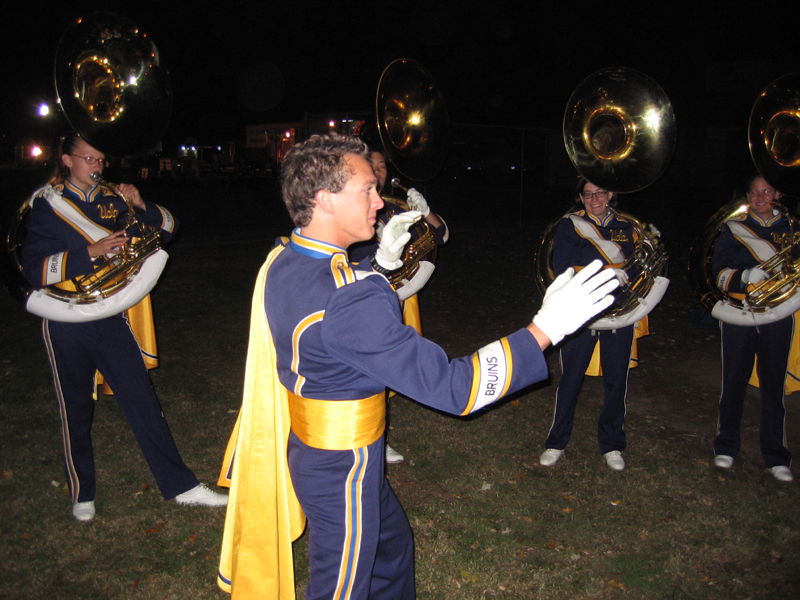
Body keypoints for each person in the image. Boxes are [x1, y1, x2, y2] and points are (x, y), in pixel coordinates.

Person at [217, 133, 619, 599]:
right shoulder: (347, 296)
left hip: (315, 451)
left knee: (390, 550)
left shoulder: (284, 260)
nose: (378, 199)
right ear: (326, 200)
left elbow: (344, 327)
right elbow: (456, 388)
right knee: (342, 586)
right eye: (366, 189)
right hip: (343, 468)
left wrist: (384, 264)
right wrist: (545, 329)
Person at [21, 132, 228, 522]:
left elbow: (167, 228)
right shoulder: (47, 207)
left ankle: (180, 486)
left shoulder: (111, 200)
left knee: (142, 400)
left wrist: (140, 204)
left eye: (100, 160)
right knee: (76, 409)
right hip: (66, 318)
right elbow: (33, 268)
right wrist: (89, 253)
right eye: (88, 159)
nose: (97, 167)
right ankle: (82, 492)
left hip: (111, 315)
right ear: (66, 160)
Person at [349, 147, 449, 464]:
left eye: (382, 165)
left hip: (392, 298)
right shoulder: (352, 207)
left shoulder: (394, 206)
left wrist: (425, 210)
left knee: (381, 368)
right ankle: (364, 436)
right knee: (357, 370)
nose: (378, 170)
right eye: (371, 165)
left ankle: (379, 435)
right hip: (357, 297)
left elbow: (441, 236)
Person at [539, 177, 646, 472]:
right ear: (580, 197)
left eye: (600, 193)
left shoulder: (628, 227)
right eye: (588, 195)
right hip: (580, 311)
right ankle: (556, 442)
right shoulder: (569, 225)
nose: (594, 199)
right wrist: (609, 273)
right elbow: (562, 266)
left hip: (620, 312)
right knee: (570, 380)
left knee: (616, 382)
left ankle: (612, 444)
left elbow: (639, 267)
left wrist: (636, 268)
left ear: (611, 193)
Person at [711, 174, 794, 483]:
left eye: (767, 191)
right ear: (748, 195)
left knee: (774, 386)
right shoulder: (733, 228)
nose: (761, 197)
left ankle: (776, 456)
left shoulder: (793, 229)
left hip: (778, 314)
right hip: (740, 314)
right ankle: (726, 446)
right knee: (733, 381)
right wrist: (745, 276)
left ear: (777, 193)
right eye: (755, 192)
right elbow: (718, 272)